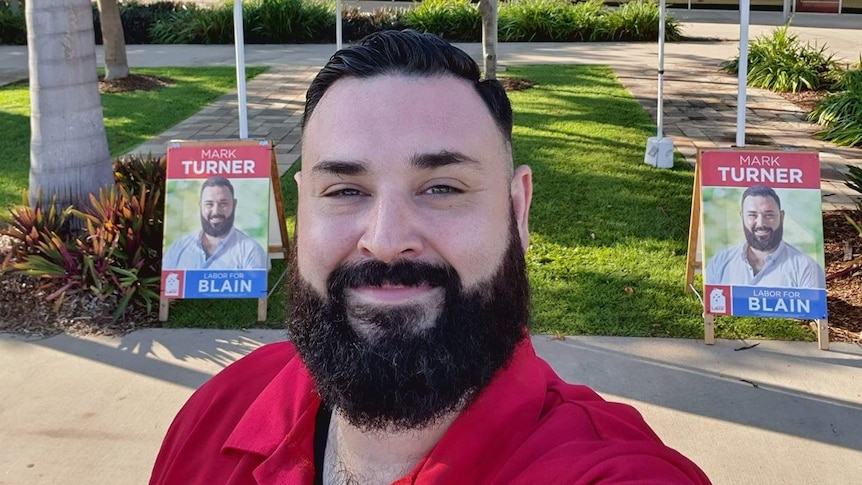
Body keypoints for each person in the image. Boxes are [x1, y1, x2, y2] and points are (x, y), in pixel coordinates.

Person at [150, 30, 710, 485]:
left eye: (442, 188)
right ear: (301, 210)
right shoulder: (219, 410)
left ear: (518, 211)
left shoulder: (606, 471)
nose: (387, 239)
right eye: (345, 190)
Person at [706, 184, 825, 288]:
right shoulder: (719, 262)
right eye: (752, 215)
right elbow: (712, 305)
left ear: (782, 216)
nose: (761, 223)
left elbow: (813, 311)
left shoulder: (806, 268)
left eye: (769, 215)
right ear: (742, 216)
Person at [162, 176, 266, 270]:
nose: (216, 211)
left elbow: (254, 289)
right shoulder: (178, 248)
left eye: (223, 203)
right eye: (209, 204)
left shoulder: (251, 250)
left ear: (234, 204)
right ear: (200, 205)